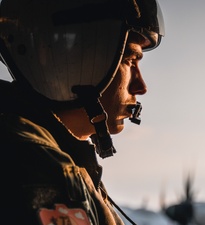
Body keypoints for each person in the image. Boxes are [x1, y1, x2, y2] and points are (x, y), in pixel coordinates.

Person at [0, 0, 164, 224]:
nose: (140, 87)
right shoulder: (38, 168)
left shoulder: (59, 159)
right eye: (129, 60)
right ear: (72, 57)